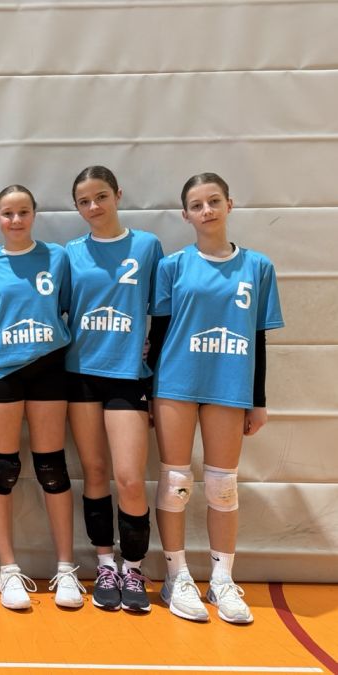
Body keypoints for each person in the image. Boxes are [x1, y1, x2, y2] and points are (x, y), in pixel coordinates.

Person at [148, 172, 283, 624]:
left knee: (223, 485)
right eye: (196, 204)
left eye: (213, 201)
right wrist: (149, 393)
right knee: (176, 481)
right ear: (185, 215)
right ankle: (177, 576)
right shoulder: (172, 266)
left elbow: (259, 337)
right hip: (176, 382)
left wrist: (257, 399)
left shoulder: (258, 267)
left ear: (229, 204)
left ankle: (222, 579)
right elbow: (159, 333)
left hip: (230, 383)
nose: (206, 210)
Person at [0, 185, 84, 611]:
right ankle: (8, 570)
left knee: (51, 467)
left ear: (34, 214)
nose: (15, 220)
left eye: (23, 212)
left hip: (48, 366)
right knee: (2, 469)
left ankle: (66, 568)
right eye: (7, 213)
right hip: (0, 370)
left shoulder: (58, 257)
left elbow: (67, 307)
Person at [64, 166, 163, 612]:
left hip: (128, 373)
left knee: (129, 478)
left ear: (118, 195)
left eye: (101, 196)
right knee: (95, 471)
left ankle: (134, 567)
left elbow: (163, 310)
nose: (93, 207)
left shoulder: (147, 246)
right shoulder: (70, 253)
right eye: (84, 201)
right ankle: (105, 563)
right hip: (81, 372)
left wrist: (152, 351)